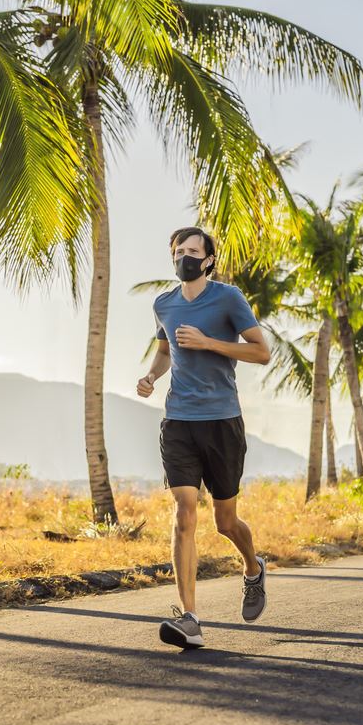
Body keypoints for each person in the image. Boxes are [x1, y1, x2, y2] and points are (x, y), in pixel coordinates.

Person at [137, 226, 272, 649]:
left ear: (209, 260)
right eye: (179, 251)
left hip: (222, 421)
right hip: (178, 421)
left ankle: (253, 568)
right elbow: (165, 350)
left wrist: (209, 343)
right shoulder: (164, 303)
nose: (185, 257)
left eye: (194, 251)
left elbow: (261, 351)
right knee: (184, 513)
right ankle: (190, 619)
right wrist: (151, 376)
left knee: (225, 521)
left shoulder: (228, 298)